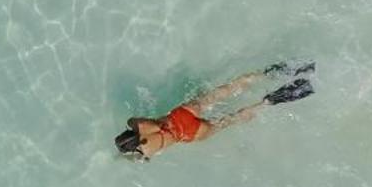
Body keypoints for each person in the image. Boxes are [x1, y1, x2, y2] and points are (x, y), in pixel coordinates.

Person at [115, 61, 315, 160]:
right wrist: (131, 125)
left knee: (233, 119)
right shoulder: (142, 126)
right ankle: (274, 72)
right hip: (182, 115)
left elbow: (137, 157)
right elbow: (135, 121)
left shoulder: (145, 153)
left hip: (191, 134)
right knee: (230, 89)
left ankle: (269, 102)